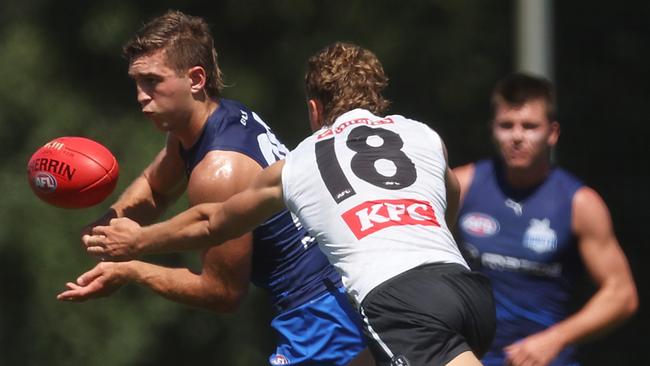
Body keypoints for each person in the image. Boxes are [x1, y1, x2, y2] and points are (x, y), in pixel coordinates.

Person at [82, 42, 496, 366]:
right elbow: (450, 191)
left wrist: (138, 244)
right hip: (465, 289)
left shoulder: (300, 162)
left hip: (395, 302)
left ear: (314, 109)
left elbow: (213, 222)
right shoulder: (422, 134)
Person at [56, 11, 371, 366]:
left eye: (152, 81)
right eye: (136, 82)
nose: (141, 96)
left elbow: (222, 292)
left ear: (195, 79)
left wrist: (131, 269)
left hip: (320, 313)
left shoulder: (219, 170)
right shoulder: (215, 119)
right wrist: (107, 226)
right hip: (334, 296)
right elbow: (156, 188)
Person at [452, 72, 638, 366]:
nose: (516, 136)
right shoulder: (462, 186)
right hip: (471, 358)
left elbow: (621, 293)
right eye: (506, 126)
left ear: (552, 132)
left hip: (548, 359)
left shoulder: (579, 203)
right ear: (493, 130)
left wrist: (556, 338)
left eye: (529, 126)